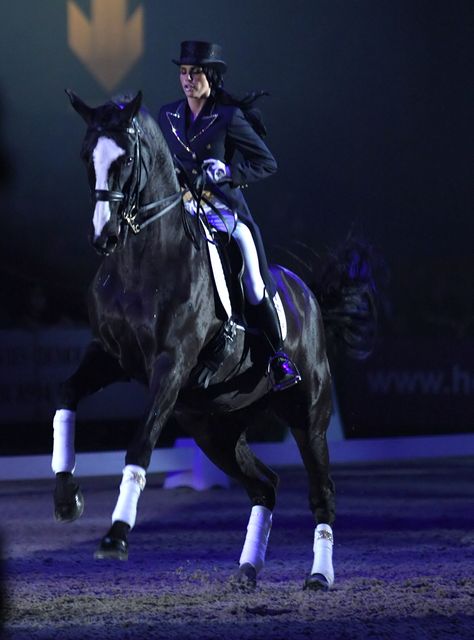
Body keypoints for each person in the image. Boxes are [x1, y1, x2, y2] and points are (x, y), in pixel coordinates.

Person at [158, 40, 300, 391]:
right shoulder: (168, 116)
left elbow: (267, 163)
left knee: (252, 277)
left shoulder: (228, 117)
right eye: (183, 72)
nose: (188, 79)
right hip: (181, 207)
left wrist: (229, 171)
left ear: (212, 76)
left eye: (195, 72)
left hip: (222, 209)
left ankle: (277, 356)